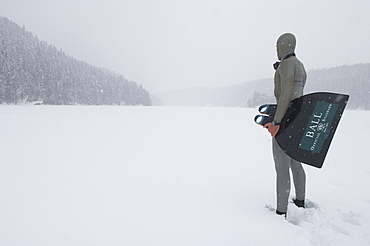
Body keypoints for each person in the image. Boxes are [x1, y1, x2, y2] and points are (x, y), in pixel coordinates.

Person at [263, 33, 307, 217]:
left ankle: (281, 211)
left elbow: (285, 95)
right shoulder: (300, 65)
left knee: (281, 166)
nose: (276, 49)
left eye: (277, 45)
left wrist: (277, 122)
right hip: (297, 119)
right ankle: (300, 201)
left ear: (284, 45)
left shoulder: (287, 65)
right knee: (295, 162)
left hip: (286, 121)